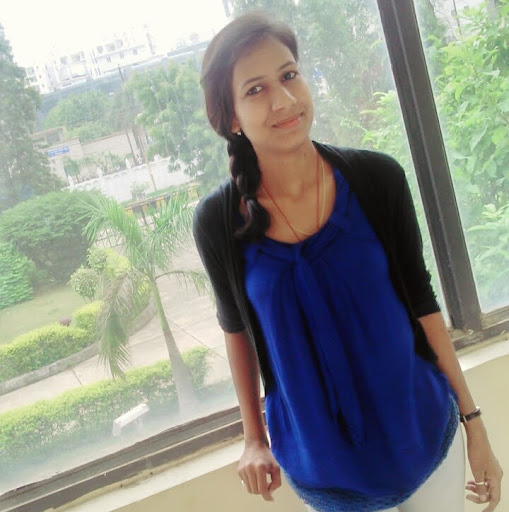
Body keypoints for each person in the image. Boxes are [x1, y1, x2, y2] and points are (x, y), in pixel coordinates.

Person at [193, 12, 503, 512]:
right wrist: (253, 439)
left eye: (289, 75)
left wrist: (475, 423)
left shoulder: (377, 180)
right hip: (326, 468)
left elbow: (423, 305)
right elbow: (237, 331)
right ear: (231, 118)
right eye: (256, 89)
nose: (284, 100)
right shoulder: (218, 221)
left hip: (424, 436)